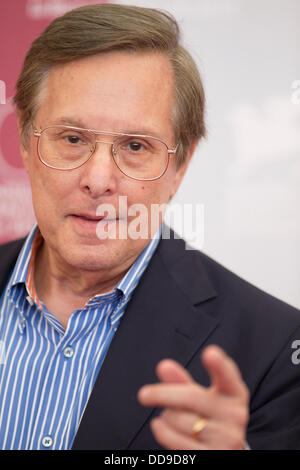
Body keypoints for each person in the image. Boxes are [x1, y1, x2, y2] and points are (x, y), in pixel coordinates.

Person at [0, 3, 299, 451]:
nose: (98, 180)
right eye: (73, 139)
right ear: (25, 139)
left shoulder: (276, 349)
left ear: (181, 165)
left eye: (136, 145)